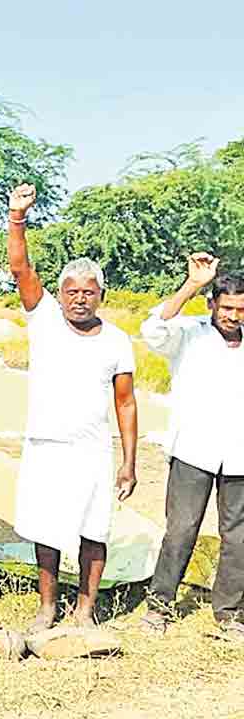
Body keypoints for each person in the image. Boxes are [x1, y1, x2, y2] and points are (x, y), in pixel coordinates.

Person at [6, 183, 137, 632]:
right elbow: (20, 267)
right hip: (46, 446)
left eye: (89, 291)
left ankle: (85, 608)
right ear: (60, 294)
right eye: (72, 291)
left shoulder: (118, 340)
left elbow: (126, 403)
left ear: (101, 294)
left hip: (92, 452)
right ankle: (47, 607)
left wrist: (130, 462)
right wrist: (17, 217)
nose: (80, 298)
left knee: (93, 530)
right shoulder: (43, 319)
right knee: (46, 530)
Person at [139, 252, 244, 640]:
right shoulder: (188, 333)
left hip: (240, 455)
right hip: (193, 450)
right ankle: (159, 607)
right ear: (212, 304)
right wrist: (192, 284)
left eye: (241, 309)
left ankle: (230, 614)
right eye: (227, 307)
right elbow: (153, 329)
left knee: (239, 536)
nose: (233, 316)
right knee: (181, 529)